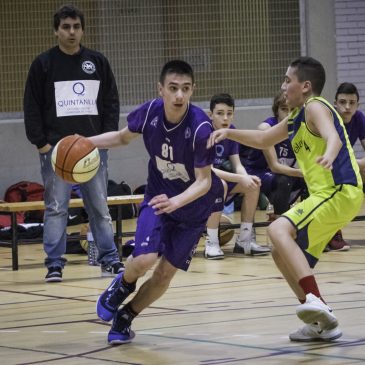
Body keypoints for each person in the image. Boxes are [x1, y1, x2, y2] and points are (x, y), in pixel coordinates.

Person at [208, 56, 363, 342]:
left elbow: (334, 137)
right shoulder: (295, 119)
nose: (283, 86)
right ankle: (321, 322)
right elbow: (262, 140)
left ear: (305, 86)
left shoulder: (315, 106)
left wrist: (329, 154)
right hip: (329, 196)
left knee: (278, 228)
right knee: (280, 252)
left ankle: (314, 299)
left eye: (287, 80)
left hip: (340, 189)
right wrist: (228, 132)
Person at [90, 60, 224, 345]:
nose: (179, 95)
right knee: (145, 259)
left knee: (164, 274)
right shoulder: (149, 111)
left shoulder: (201, 128)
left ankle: (126, 317)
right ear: (160, 89)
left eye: (185, 89)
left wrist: (177, 201)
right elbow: (121, 137)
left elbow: (204, 181)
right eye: (173, 88)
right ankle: (123, 284)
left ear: (192, 90)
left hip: (193, 208)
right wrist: (86, 142)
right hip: (159, 198)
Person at [23, 4, 123, 282]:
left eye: (76, 27)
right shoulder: (43, 64)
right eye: (66, 27)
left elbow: (111, 102)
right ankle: (54, 263)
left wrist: (105, 140)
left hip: (93, 152)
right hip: (56, 153)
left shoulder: (98, 62)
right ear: (56, 30)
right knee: (56, 208)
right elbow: (31, 106)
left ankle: (110, 260)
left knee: (99, 207)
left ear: (82, 30)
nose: (71, 32)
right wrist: (41, 143)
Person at [204, 93, 270, 259]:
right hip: (198, 182)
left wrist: (246, 177)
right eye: (220, 113)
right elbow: (209, 171)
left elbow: (237, 164)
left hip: (220, 179)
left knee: (253, 185)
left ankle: (245, 241)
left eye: (229, 113)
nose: (225, 118)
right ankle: (211, 243)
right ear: (210, 114)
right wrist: (240, 178)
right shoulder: (204, 132)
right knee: (221, 185)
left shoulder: (231, 132)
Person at [240, 90, 307, 221]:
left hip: (282, 174)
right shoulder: (266, 128)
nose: (288, 114)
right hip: (259, 172)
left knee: (311, 179)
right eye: (284, 109)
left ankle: (306, 220)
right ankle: (280, 222)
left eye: (292, 110)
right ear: (276, 110)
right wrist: (302, 172)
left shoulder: (301, 129)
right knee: (285, 180)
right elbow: (274, 166)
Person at [325, 82, 365, 251]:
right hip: (323, 166)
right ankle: (332, 233)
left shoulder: (359, 118)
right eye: (342, 102)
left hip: (344, 167)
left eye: (352, 103)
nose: (347, 107)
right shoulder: (328, 118)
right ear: (335, 103)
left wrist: (359, 164)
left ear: (358, 104)